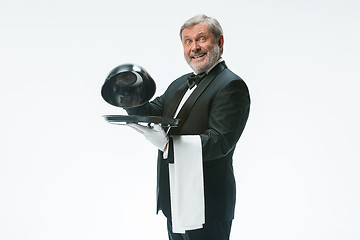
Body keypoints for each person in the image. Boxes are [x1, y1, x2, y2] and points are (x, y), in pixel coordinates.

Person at [126, 14, 250, 240]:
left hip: (207, 205)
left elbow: (220, 141)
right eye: (188, 41)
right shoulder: (179, 84)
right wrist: (128, 96)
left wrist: (168, 146)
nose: (195, 47)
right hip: (174, 199)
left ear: (219, 42)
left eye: (201, 39)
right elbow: (151, 111)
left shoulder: (231, 85)